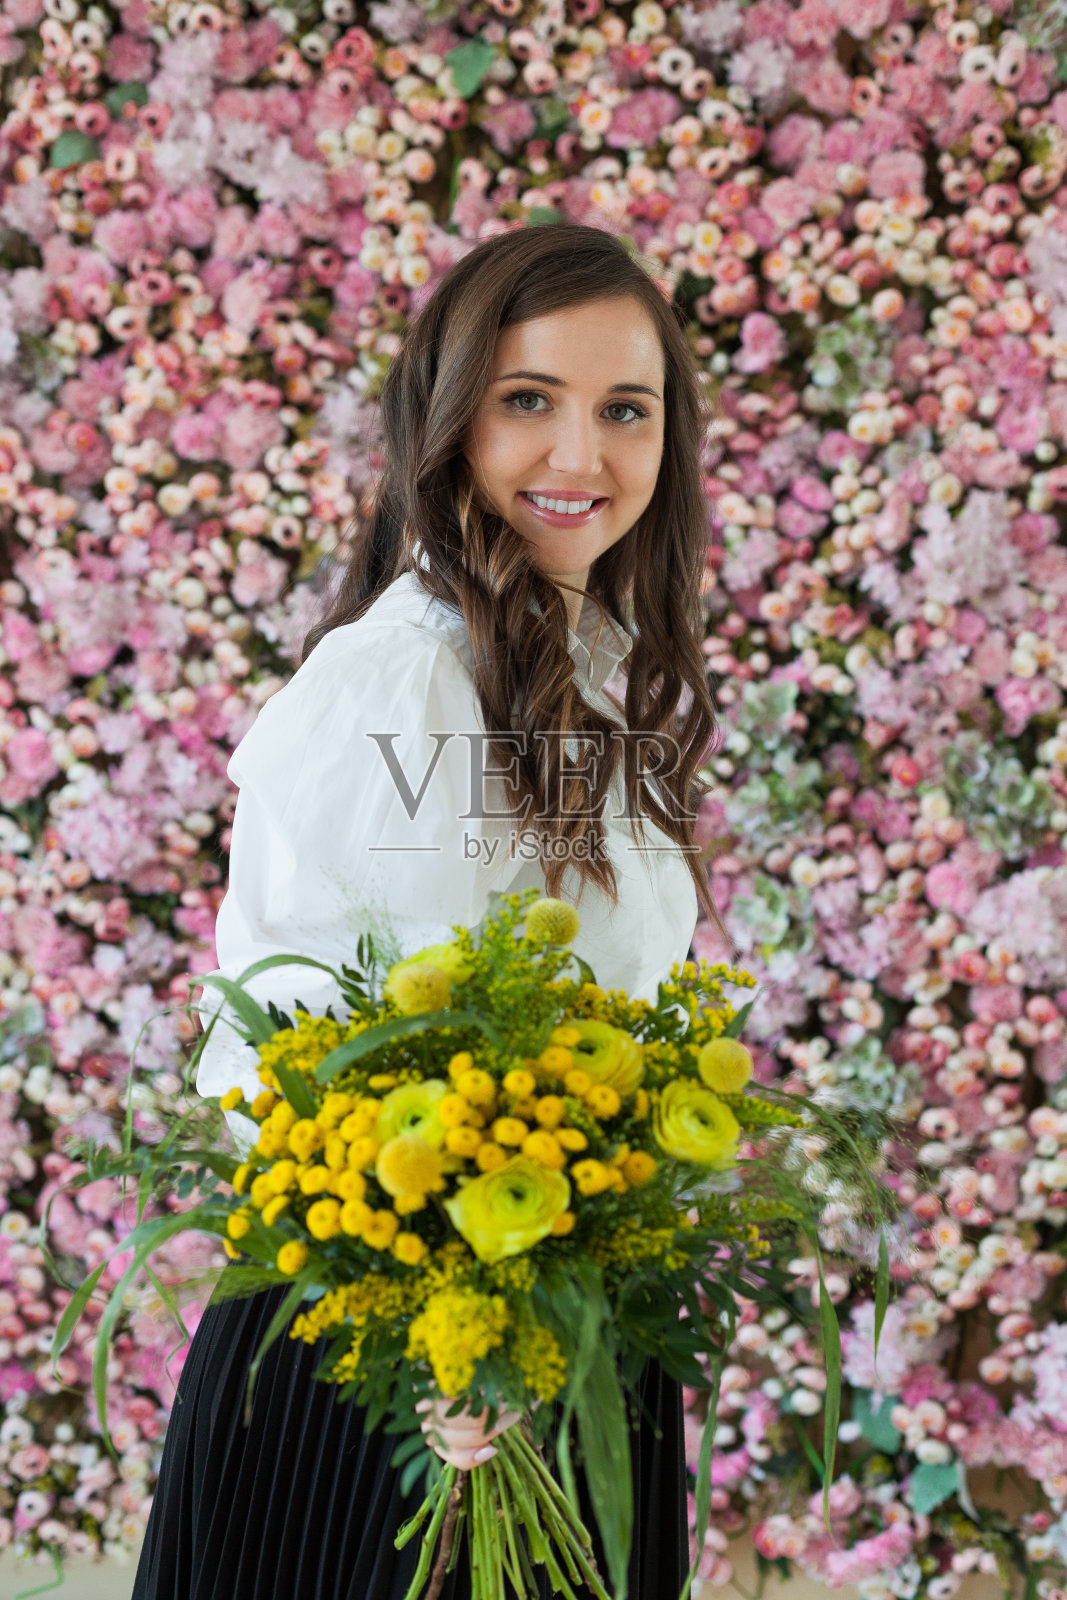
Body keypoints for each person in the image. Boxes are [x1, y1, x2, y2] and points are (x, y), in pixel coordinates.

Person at [131, 222, 730, 1600]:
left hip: (555, 1341)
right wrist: (450, 1341)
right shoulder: (398, 681)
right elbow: (283, 1062)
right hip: (391, 1369)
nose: (579, 457)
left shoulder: (598, 670)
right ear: (448, 418)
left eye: (623, 411)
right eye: (529, 401)